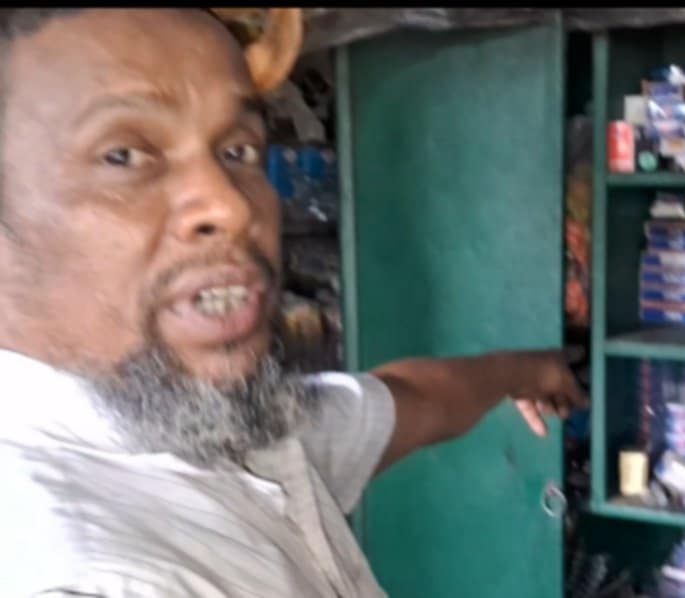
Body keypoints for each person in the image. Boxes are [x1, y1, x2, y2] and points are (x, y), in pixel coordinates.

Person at [0, 9, 585, 597]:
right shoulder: (73, 573)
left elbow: (414, 399)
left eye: (238, 151)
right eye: (124, 156)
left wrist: (529, 372)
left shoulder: (220, 424)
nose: (232, 206)